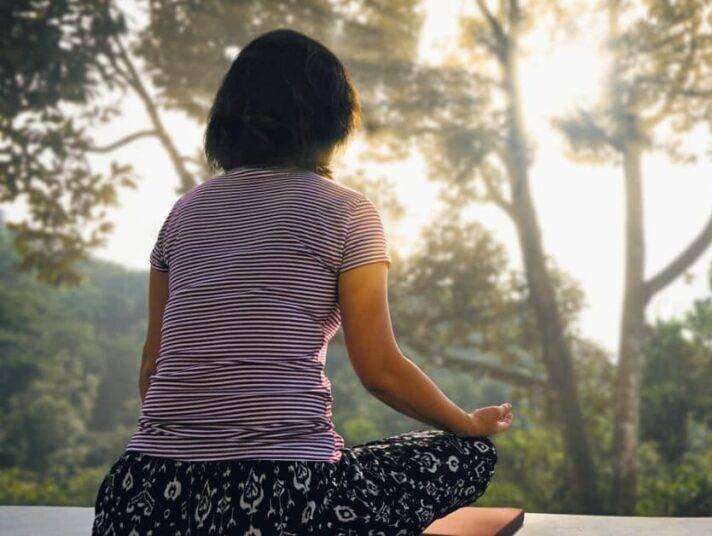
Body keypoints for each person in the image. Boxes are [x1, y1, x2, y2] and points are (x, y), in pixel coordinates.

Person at [91, 28, 514, 536]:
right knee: (467, 456)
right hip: (291, 500)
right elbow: (379, 370)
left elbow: (153, 366)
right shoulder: (348, 213)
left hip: (142, 498)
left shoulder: (184, 213)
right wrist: (468, 423)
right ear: (332, 118)